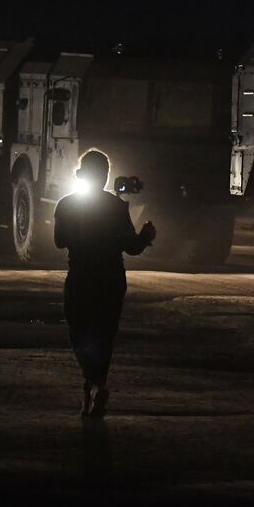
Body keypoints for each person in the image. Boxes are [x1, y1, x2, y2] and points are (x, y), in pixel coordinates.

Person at [53, 148, 155, 418]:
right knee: (103, 335)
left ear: (80, 174)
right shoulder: (115, 206)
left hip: (81, 276)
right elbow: (131, 247)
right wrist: (146, 235)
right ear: (106, 176)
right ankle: (96, 385)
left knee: (79, 332)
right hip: (110, 279)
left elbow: (59, 241)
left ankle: (93, 384)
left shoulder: (66, 204)